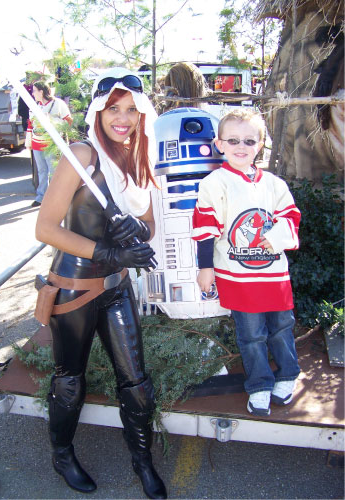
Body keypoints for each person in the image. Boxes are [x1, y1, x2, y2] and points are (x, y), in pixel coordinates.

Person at [35, 67, 167, 499]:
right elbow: (46, 228)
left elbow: (148, 222)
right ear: (98, 111)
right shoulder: (81, 155)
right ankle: (62, 454)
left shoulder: (137, 155)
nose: (123, 118)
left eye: (131, 109)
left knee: (136, 381)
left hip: (116, 287)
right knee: (69, 379)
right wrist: (110, 252)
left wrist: (137, 234)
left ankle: (143, 462)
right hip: (75, 286)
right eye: (114, 108)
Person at [192, 108, 301, 417]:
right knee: (251, 334)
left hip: (273, 274)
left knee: (281, 327)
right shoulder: (214, 183)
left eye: (250, 141)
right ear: (220, 144)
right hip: (238, 275)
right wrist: (205, 268)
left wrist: (278, 235)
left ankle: (289, 374)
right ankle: (259, 384)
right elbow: (204, 228)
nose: (242, 147)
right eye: (234, 140)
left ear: (261, 144)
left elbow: (290, 216)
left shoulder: (275, 185)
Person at [25, 81, 72, 207]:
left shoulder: (58, 104)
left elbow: (68, 120)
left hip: (51, 143)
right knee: (42, 171)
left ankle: (57, 197)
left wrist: (52, 122)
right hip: (37, 143)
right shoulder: (35, 106)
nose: (33, 93)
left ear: (41, 91)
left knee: (54, 171)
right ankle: (41, 197)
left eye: (34, 90)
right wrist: (28, 141)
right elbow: (30, 125)